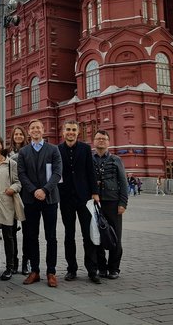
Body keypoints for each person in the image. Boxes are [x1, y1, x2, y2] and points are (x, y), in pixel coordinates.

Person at [17, 119, 62, 288]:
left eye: (38, 127)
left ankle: (51, 271)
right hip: (30, 199)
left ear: (43, 130)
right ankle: (34, 270)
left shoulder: (53, 149)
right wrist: (33, 190)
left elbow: (57, 173)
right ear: (29, 132)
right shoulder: (23, 152)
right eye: (33, 128)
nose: (36, 130)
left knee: (51, 236)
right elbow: (21, 174)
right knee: (31, 236)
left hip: (49, 199)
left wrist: (44, 190)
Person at [57, 120, 100, 284]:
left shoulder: (85, 148)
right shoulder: (57, 150)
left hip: (84, 197)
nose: (71, 132)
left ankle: (92, 270)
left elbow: (91, 171)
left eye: (73, 130)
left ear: (78, 132)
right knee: (69, 235)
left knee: (88, 235)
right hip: (66, 198)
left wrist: (95, 192)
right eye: (68, 129)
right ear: (63, 132)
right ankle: (71, 269)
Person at [92, 130, 128, 280]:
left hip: (113, 203)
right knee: (97, 236)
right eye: (98, 138)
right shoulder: (89, 159)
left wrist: (123, 203)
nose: (101, 141)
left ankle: (114, 268)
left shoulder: (116, 159)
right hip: (95, 204)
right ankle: (101, 267)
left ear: (108, 142)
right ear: (93, 141)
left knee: (115, 236)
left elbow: (123, 183)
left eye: (104, 139)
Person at [0, 135, 23, 281]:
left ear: (2, 146)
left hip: (7, 202)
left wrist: (12, 188)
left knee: (8, 236)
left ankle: (9, 267)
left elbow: (18, 182)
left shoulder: (10, 163)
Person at [8, 124, 29, 275]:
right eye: (16, 134)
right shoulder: (8, 153)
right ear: (12, 137)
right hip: (13, 194)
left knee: (28, 231)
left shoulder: (29, 151)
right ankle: (13, 262)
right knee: (12, 231)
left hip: (26, 193)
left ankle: (25, 262)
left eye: (21, 134)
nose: (18, 137)